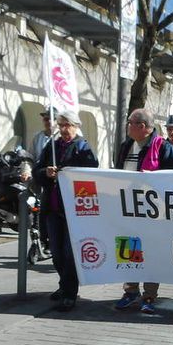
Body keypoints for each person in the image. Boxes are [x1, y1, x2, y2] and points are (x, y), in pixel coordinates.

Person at [114, 108, 173, 314]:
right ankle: (130, 290)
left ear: (141, 126)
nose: (127, 126)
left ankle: (149, 295)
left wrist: (152, 179)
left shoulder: (163, 147)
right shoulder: (126, 146)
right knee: (128, 249)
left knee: (152, 253)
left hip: (153, 213)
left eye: (130, 122)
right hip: (128, 209)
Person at [32, 110, 99, 311]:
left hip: (72, 210)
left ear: (76, 126)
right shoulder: (51, 146)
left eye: (67, 125)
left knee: (70, 254)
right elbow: (37, 171)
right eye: (61, 125)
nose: (63, 129)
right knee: (56, 253)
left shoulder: (82, 147)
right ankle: (64, 285)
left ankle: (70, 293)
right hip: (52, 207)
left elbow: (91, 174)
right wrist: (46, 172)